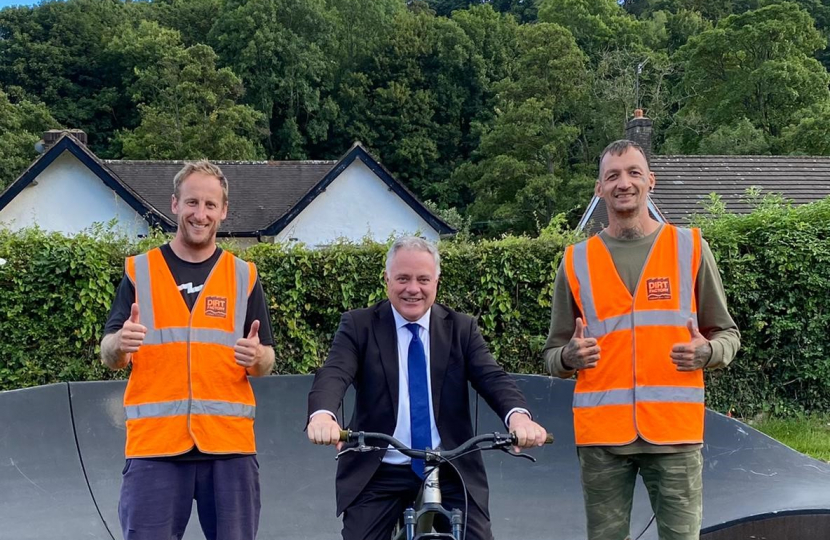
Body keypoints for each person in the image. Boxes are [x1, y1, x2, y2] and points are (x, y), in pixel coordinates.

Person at [543, 140, 741, 540]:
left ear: (650, 181)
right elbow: (551, 355)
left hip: (675, 435)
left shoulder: (690, 248)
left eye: (633, 172)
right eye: (612, 175)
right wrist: (568, 356)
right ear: (599, 188)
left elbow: (728, 335)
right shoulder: (576, 261)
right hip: (602, 439)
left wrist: (708, 352)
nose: (624, 183)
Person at [307, 236, 548, 540]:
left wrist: (518, 418)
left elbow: (492, 377)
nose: (413, 289)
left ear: (436, 281)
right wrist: (323, 415)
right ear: (386, 280)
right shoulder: (360, 325)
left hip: (451, 465)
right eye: (403, 278)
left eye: (423, 279)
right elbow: (334, 373)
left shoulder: (461, 328)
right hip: (380, 468)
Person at [100, 160, 276, 540]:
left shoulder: (244, 276)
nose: (201, 214)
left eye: (210, 205)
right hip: (155, 449)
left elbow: (266, 359)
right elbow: (110, 353)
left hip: (229, 447)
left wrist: (258, 358)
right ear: (175, 204)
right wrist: (120, 343)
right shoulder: (140, 272)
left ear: (224, 211)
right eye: (192, 202)